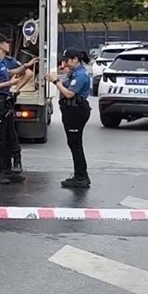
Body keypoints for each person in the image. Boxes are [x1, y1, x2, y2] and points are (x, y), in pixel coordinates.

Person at [0, 33, 37, 183]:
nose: (8, 44)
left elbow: (10, 72)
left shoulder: (2, 62)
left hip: (4, 104)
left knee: (9, 137)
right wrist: (10, 84)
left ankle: (7, 170)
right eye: (6, 42)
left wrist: (25, 66)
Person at [48, 48, 93, 189]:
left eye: (67, 60)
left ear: (75, 59)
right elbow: (67, 85)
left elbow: (69, 94)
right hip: (71, 111)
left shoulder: (81, 75)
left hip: (76, 111)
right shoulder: (73, 73)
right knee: (73, 143)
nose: (65, 63)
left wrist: (55, 82)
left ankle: (81, 176)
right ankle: (79, 174)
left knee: (75, 144)